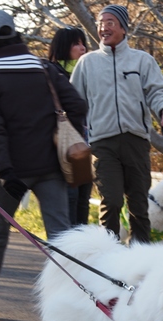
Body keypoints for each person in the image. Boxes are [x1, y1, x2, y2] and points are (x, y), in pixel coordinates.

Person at [0, 9, 87, 319]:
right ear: (16, 35)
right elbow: (77, 106)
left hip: (11, 172)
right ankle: (75, 302)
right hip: (52, 167)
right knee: (61, 236)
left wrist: (4, 170)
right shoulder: (43, 68)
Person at [70, 5, 163, 243]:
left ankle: (141, 258)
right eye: (100, 23)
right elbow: (74, 102)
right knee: (112, 201)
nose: (103, 27)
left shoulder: (143, 61)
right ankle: (107, 258)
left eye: (110, 22)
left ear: (123, 28)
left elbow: (157, 92)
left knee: (138, 203)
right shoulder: (87, 63)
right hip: (101, 143)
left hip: (135, 140)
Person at [48, 27, 92, 226]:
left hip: (86, 145)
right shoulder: (52, 73)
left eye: (83, 43)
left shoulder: (89, 71)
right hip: (65, 146)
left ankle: (82, 249)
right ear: (64, 46)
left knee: (83, 200)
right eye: (76, 43)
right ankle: (68, 249)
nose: (82, 48)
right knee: (70, 198)